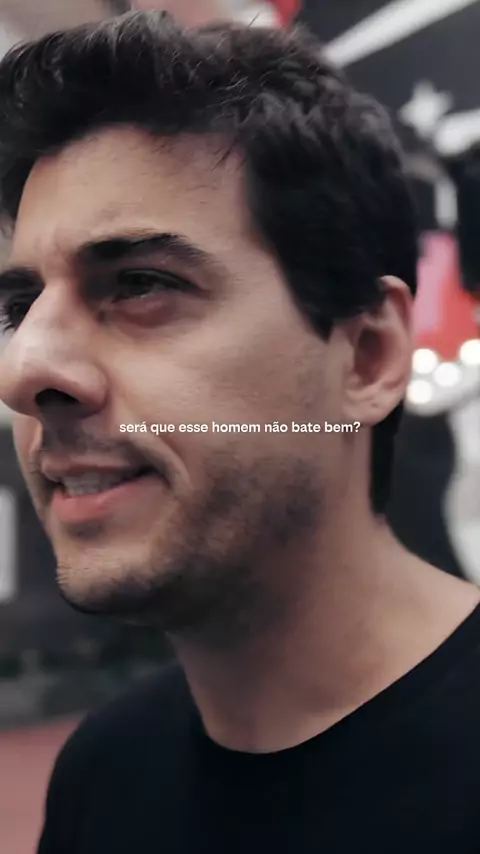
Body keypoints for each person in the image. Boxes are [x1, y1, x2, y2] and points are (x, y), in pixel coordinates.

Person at [0, 11, 479, 854]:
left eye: (140, 283)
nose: (23, 372)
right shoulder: (102, 776)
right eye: (17, 307)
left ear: (367, 355)